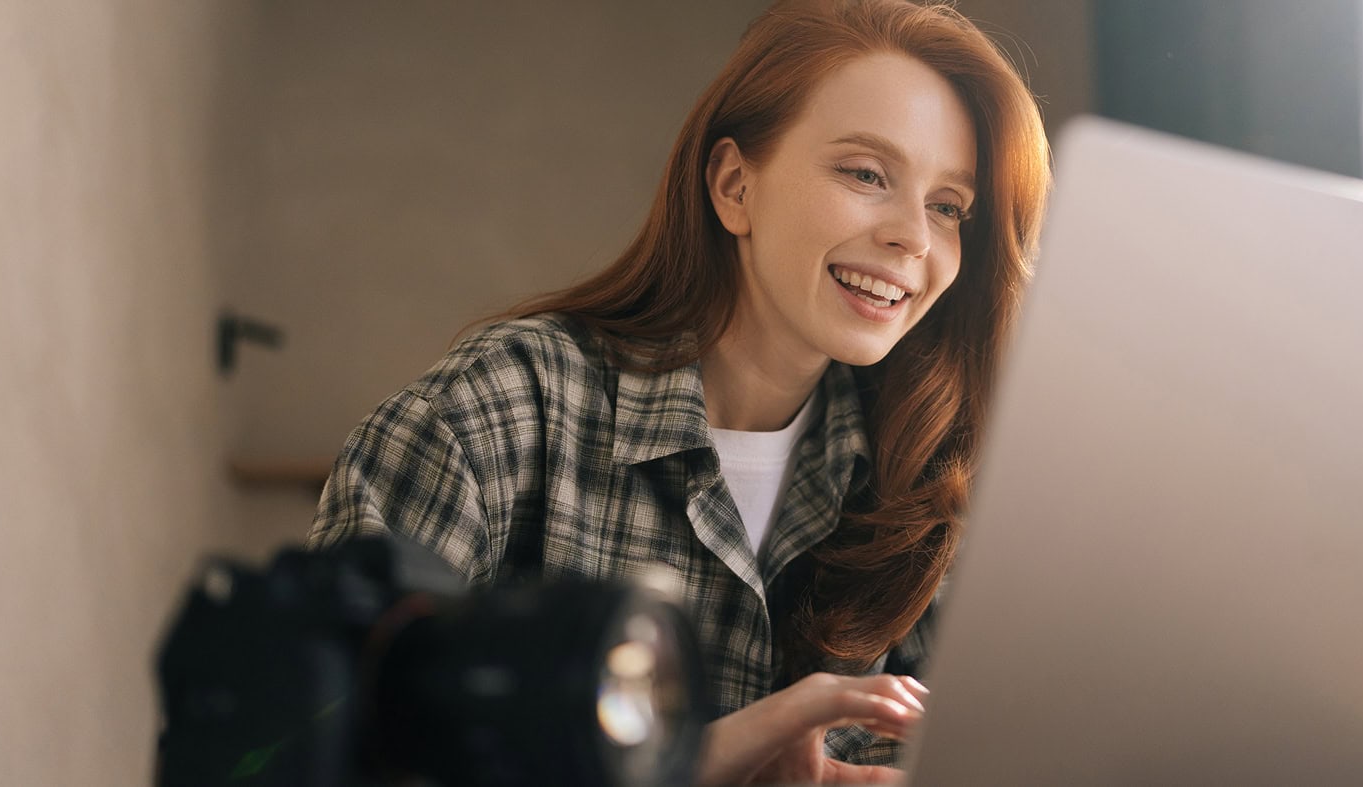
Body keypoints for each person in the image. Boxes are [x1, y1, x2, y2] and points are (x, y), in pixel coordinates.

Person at [303, 0, 1050, 783]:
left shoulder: (925, 487)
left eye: (947, 207)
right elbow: (314, 750)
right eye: (866, 173)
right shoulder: (495, 411)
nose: (914, 237)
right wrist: (694, 766)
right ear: (734, 186)